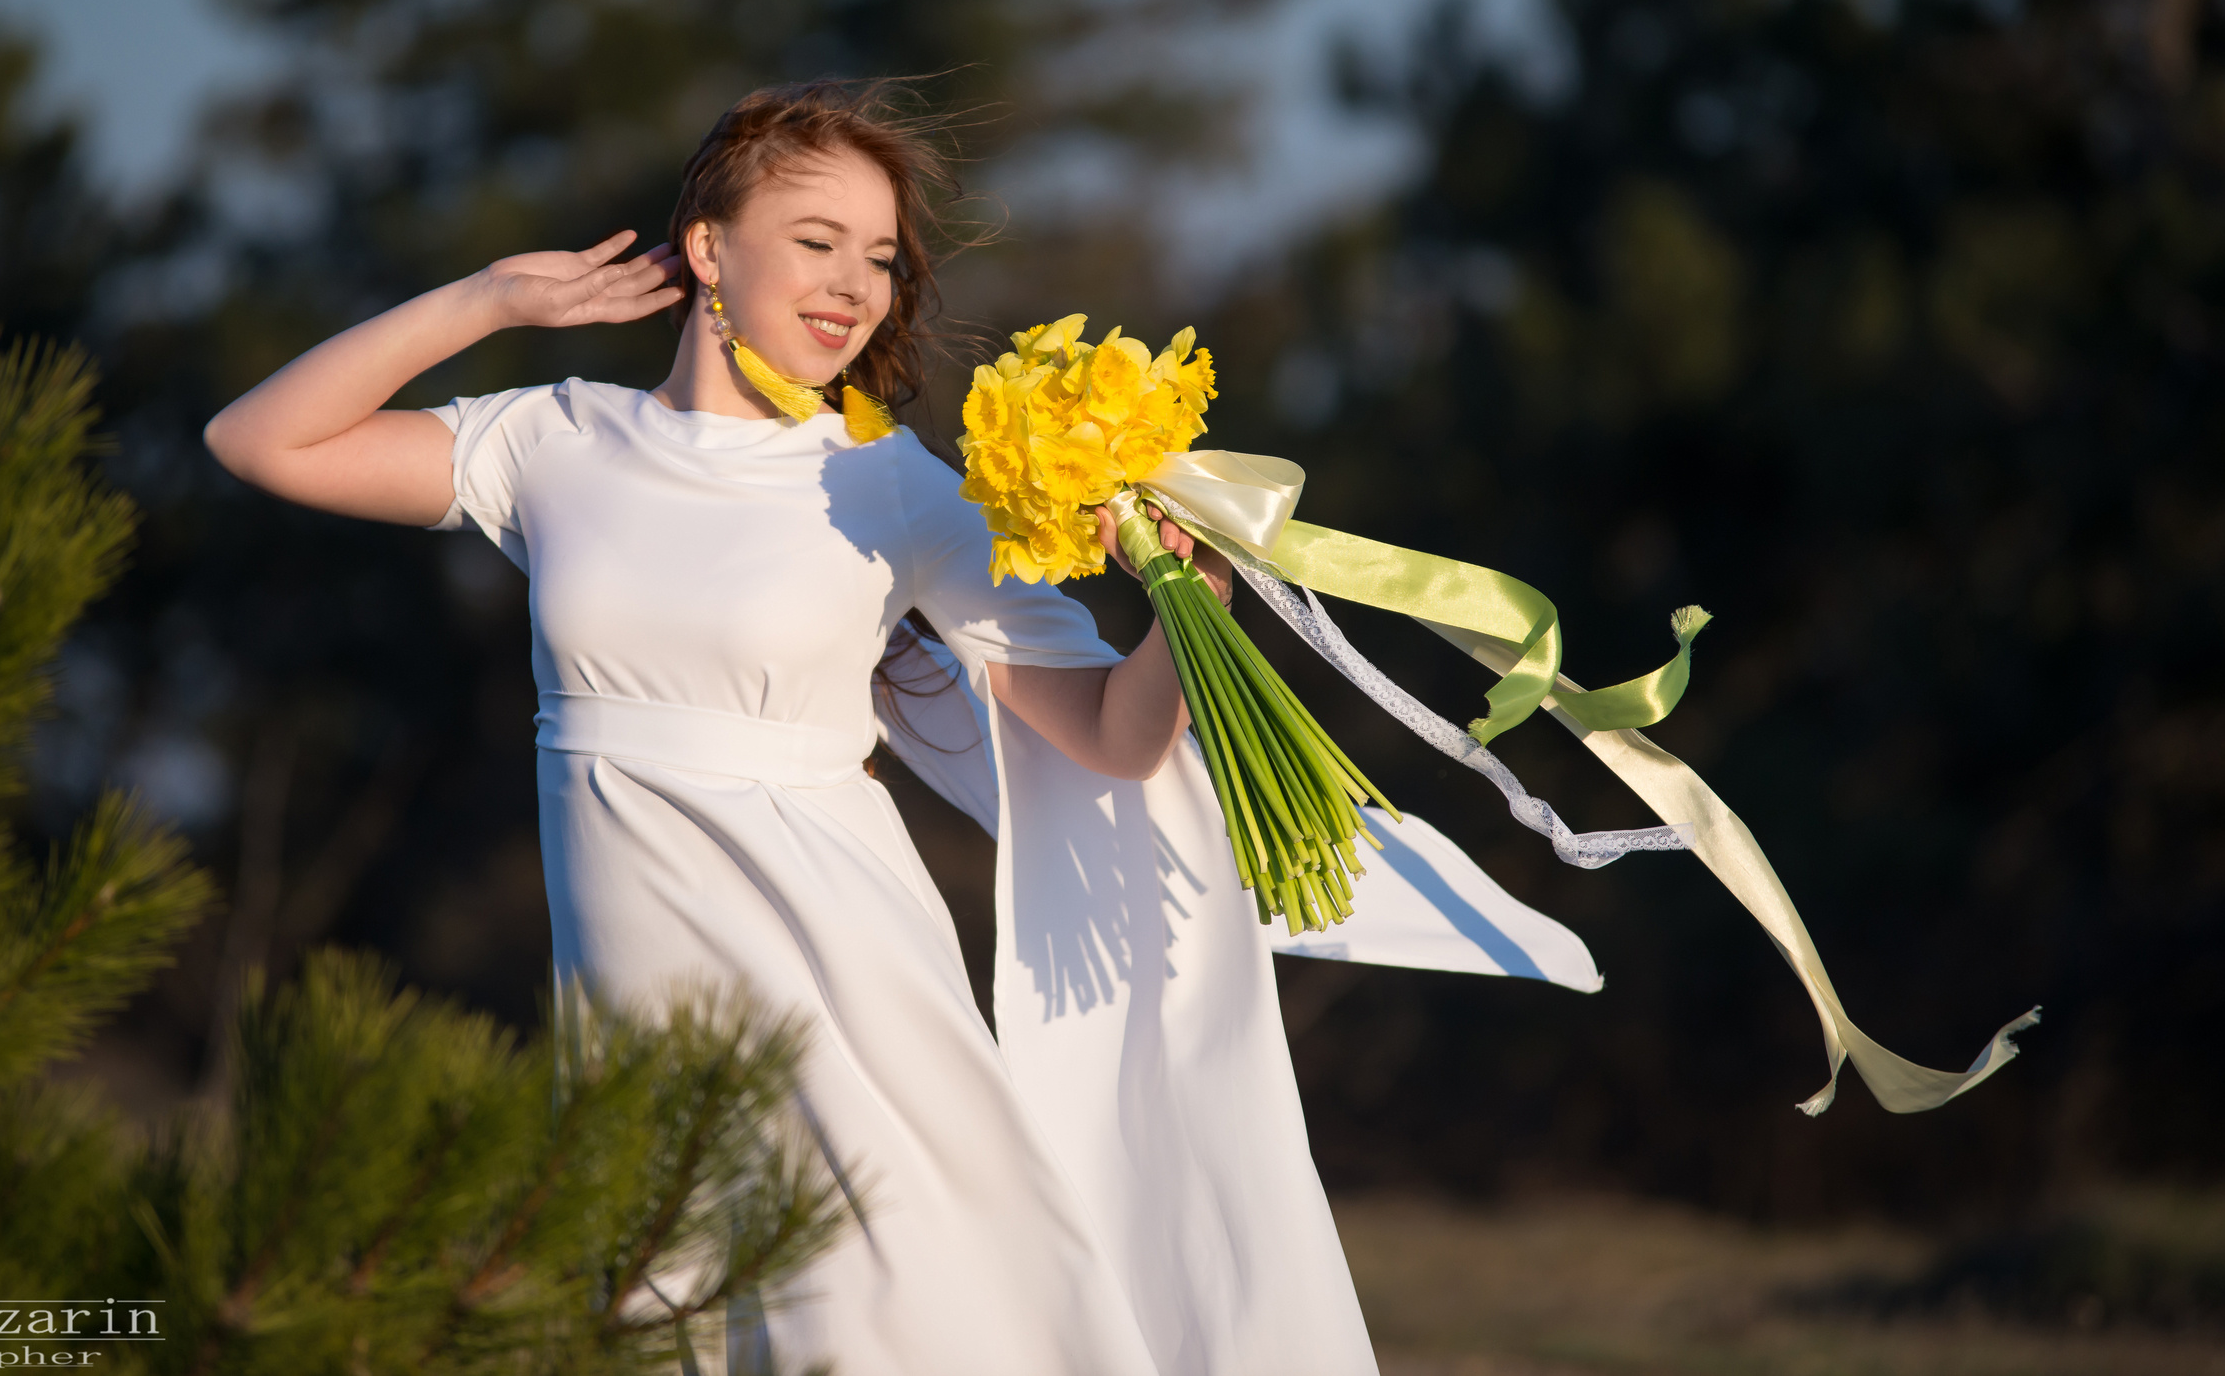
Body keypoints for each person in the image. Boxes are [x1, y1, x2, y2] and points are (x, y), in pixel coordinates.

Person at [203, 80, 1403, 1375]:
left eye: (881, 258)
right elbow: (259, 439)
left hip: (851, 992)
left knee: (904, 1323)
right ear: (708, 248)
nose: (855, 284)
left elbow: (1113, 734)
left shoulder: (897, 487)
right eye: (818, 241)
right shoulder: (553, 440)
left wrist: (1192, 599)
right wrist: (491, 300)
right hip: (637, 1019)